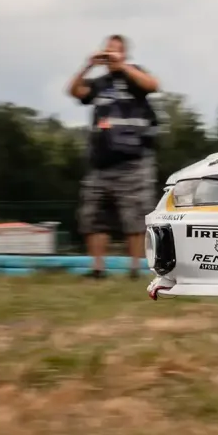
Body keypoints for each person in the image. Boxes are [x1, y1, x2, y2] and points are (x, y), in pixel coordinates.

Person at [67, 35, 160, 279]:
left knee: (135, 217)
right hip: (101, 162)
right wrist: (88, 65)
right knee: (93, 217)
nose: (110, 54)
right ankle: (98, 269)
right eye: (107, 50)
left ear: (125, 54)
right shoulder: (100, 83)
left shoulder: (135, 75)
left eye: (115, 51)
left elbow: (153, 85)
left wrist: (124, 66)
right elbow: (74, 91)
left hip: (134, 160)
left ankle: (135, 269)